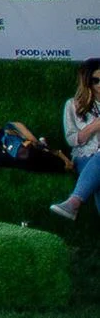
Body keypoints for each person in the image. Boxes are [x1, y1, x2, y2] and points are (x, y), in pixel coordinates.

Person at [50, 58, 100, 220]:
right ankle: (74, 202)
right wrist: (94, 126)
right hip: (84, 156)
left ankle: (74, 202)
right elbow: (72, 139)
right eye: (96, 80)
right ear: (86, 82)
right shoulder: (73, 105)